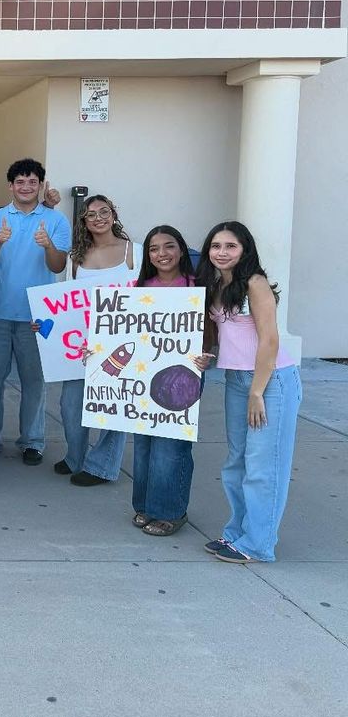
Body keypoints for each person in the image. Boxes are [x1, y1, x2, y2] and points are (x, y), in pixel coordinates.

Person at [194, 221, 302, 565]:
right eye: (216, 246)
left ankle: (258, 544)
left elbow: (269, 340)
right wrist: (209, 355)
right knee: (236, 461)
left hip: (270, 381)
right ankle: (237, 532)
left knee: (263, 465)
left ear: (244, 250)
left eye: (231, 246)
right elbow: (229, 336)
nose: (222, 252)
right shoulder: (216, 285)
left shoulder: (255, 283)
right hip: (237, 380)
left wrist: (258, 392)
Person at [0, 158, 70, 465]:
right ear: (10, 186)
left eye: (32, 182)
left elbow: (58, 266)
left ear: (41, 185)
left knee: (34, 383)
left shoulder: (56, 220)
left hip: (38, 317)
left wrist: (48, 246)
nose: (26, 187)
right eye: (20, 182)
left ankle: (32, 441)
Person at [50, 195, 135, 486]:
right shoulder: (76, 257)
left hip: (121, 341)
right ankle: (75, 457)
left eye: (104, 211)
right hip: (82, 344)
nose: (98, 218)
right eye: (91, 214)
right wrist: (48, 322)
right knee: (70, 405)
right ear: (84, 221)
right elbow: (67, 302)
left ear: (114, 214)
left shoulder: (133, 251)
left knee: (114, 405)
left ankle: (102, 466)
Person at [131, 225, 198, 537]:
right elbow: (121, 332)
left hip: (184, 376)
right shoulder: (139, 287)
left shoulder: (196, 286)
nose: (162, 254)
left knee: (171, 447)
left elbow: (212, 333)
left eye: (169, 246)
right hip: (144, 375)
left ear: (181, 250)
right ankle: (146, 505)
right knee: (144, 445)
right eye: (154, 248)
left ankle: (171, 511)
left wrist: (207, 355)